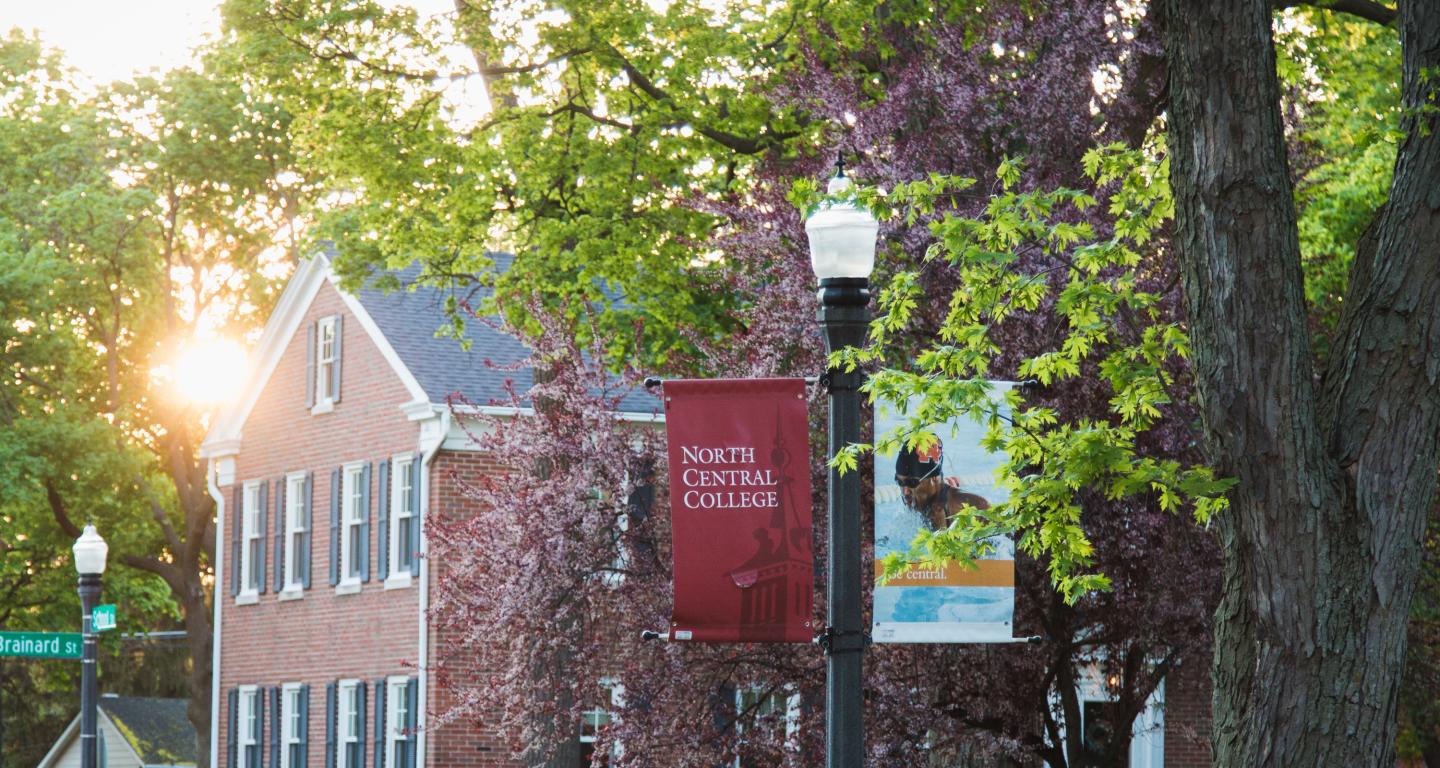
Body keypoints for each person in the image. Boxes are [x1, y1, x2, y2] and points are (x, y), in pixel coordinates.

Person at [894, 441, 989, 531]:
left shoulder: (975, 507)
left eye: (912, 483)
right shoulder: (919, 510)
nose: (905, 492)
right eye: (900, 483)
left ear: (935, 479)